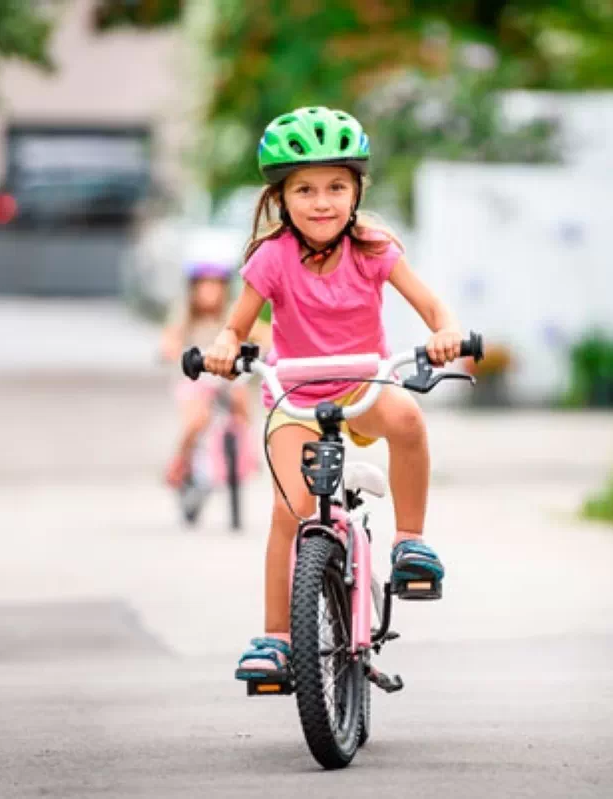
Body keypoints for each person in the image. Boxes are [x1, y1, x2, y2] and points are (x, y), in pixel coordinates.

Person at [197, 106, 466, 682]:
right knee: (290, 511)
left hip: (365, 386)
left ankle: (410, 544)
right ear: (281, 199)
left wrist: (444, 332)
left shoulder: (372, 248)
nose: (322, 202)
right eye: (306, 189)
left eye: (336, 187)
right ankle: (275, 639)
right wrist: (224, 346)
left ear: (357, 190)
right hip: (294, 397)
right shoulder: (272, 257)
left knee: (410, 421)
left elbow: (434, 307)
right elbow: (236, 324)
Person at [160, 261, 257, 489]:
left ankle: (246, 453)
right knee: (197, 419)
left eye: (215, 285)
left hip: (226, 379)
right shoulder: (184, 314)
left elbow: (259, 332)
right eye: (204, 285)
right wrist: (171, 349)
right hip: (196, 379)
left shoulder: (232, 314)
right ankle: (181, 460)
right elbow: (170, 339)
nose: (209, 291)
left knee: (242, 401)